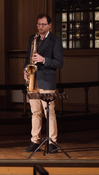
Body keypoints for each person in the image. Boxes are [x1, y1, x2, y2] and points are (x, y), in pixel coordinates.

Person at [23, 14, 64, 154]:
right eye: (39, 24)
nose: (40, 27)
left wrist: (43, 59)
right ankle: (35, 141)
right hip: (33, 81)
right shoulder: (32, 39)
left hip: (46, 81)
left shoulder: (55, 41)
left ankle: (52, 142)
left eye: (43, 24)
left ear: (49, 25)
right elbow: (28, 56)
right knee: (35, 113)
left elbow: (59, 63)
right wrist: (25, 70)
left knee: (49, 113)